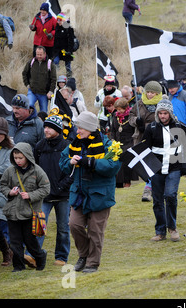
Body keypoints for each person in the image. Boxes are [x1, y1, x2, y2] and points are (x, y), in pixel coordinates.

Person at [59, 111, 121, 273]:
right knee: (74, 225)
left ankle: (92, 263)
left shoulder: (108, 144)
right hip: (79, 194)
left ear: (90, 128)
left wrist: (92, 162)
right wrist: (70, 162)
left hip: (100, 195)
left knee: (95, 230)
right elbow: (63, 161)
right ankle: (83, 255)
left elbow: (113, 167)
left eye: (81, 127)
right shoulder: (75, 144)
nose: (77, 131)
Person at [142, 96, 186, 242]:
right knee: (157, 200)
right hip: (157, 168)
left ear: (170, 113)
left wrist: (185, 166)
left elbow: (185, 148)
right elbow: (146, 149)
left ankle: (172, 228)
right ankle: (160, 230)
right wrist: (147, 169)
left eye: (165, 113)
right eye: (160, 113)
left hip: (173, 167)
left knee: (170, 196)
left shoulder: (179, 127)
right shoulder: (151, 128)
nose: (163, 116)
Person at [0, 142, 50, 272]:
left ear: (27, 156)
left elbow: (46, 189)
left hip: (29, 213)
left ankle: (40, 257)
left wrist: (30, 195)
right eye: (15, 158)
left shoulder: (37, 171)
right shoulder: (10, 171)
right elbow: (3, 185)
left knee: (30, 241)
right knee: (14, 242)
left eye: (20, 158)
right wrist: (9, 192)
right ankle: (18, 266)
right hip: (13, 212)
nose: (18, 161)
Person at [33, 116, 72, 266]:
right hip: (44, 193)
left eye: (49, 127)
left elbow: (72, 171)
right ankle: (34, 255)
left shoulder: (67, 146)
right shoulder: (39, 146)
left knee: (63, 228)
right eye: (45, 127)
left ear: (57, 129)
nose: (46, 130)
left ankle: (61, 257)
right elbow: (34, 168)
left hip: (63, 195)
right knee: (39, 226)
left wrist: (62, 186)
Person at [130, 80, 162, 202]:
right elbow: (131, 116)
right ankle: (151, 186)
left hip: (156, 138)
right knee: (144, 164)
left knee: (153, 163)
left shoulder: (162, 104)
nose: (149, 95)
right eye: (148, 92)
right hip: (140, 137)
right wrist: (136, 121)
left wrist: (147, 125)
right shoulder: (139, 103)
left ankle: (148, 189)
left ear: (157, 93)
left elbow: (163, 119)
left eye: (152, 93)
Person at [0, 117, 14, 267]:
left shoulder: (11, 150)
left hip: (2, 192)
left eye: (0, 134)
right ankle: (7, 252)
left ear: (5, 135)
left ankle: (10, 252)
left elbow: (8, 169)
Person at [22, 45, 57, 113]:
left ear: (45, 54)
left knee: (43, 112)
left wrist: (50, 91)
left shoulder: (50, 64)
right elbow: (24, 73)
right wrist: (27, 84)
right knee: (28, 107)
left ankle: (40, 122)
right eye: (37, 54)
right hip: (32, 91)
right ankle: (32, 121)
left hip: (44, 93)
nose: (39, 56)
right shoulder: (31, 62)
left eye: (40, 54)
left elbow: (53, 79)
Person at [111, 97, 135, 188]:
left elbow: (134, 130)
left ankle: (127, 181)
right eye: (117, 109)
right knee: (117, 161)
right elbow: (113, 130)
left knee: (126, 161)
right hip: (118, 142)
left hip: (129, 141)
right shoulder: (115, 116)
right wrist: (112, 140)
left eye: (120, 109)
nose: (118, 111)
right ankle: (118, 183)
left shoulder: (131, 116)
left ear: (125, 108)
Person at [52, 13, 75, 78]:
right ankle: (57, 75)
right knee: (55, 62)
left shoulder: (69, 28)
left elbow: (71, 41)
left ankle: (69, 78)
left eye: (60, 20)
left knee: (68, 65)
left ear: (64, 20)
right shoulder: (57, 27)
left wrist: (70, 51)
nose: (58, 22)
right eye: (57, 20)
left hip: (67, 50)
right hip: (57, 50)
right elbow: (55, 40)